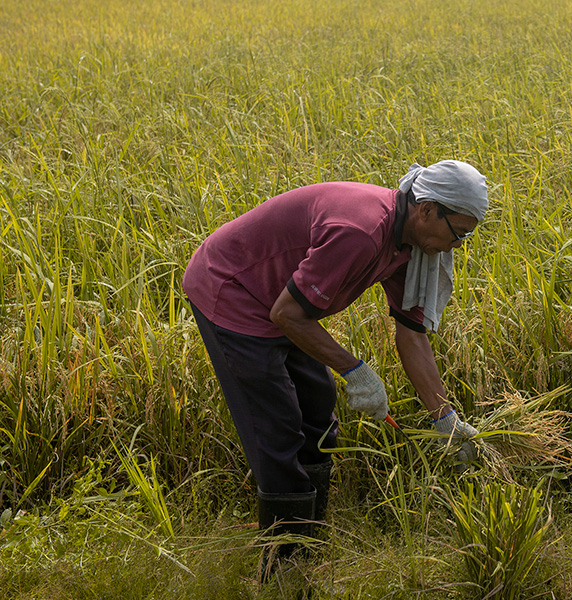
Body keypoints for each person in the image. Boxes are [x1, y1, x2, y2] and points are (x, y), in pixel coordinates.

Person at [182, 160, 486, 580]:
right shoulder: (361, 232)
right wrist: (355, 369)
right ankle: (282, 568)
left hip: (281, 302)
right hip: (232, 290)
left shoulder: (409, 250)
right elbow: (287, 315)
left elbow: (412, 336)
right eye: (459, 232)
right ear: (428, 210)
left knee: (319, 411)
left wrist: (446, 418)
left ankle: (308, 540)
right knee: (279, 427)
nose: (457, 245)